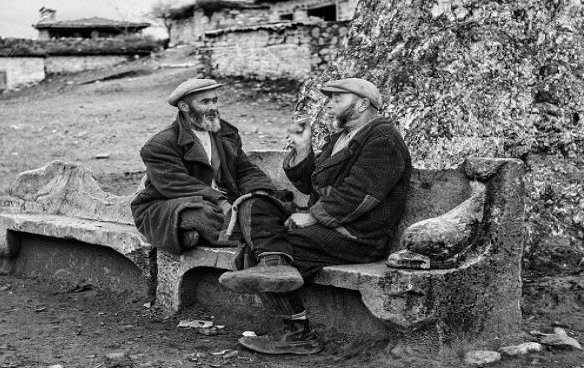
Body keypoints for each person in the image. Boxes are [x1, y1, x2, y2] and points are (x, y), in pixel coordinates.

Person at [218, 77, 412, 356]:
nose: (330, 105)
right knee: (255, 206)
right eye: (329, 99)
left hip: (358, 236)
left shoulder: (382, 139)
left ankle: (296, 333)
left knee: (266, 246)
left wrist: (314, 216)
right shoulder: (342, 138)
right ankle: (274, 268)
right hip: (330, 230)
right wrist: (303, 149)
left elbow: (361, 195)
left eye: (338, 99)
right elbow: (312, 185)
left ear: (363, 104)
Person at [130, 78, 276, 254]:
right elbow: (176, 184)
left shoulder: (226, 134)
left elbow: (244, 169)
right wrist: (221, 201)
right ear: (184, 106)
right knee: (200, 213)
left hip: (227, 201)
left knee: (271, 202)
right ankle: (251, 234)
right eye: (205, 102)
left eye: (215, 100)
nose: (212, 107)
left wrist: (259, 191)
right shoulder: (160, 144)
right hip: (171, 203)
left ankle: (206, 233)